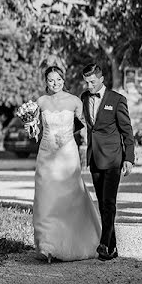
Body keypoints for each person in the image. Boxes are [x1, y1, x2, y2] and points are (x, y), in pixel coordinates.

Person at [27, 65, 101, 262]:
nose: (55, 83)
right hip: (46, 153)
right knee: (46, 196)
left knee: (69, 197)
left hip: (68, 154)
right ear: (46, 82)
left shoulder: (75, 101)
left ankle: (72, 241)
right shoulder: (40, 102)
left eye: (58, 80)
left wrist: (76, 139)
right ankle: (47, 244)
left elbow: (84, 126)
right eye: (51, 80)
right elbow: (35, 132)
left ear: (63, 80)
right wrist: (29, 126)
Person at [81, 63, 135, 261]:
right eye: (86, 83)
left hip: (113, 158)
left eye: (92, 82)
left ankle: (104, 244)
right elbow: (80, 123)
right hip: (94, 157)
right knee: (102, 203)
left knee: (108, 201)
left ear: (101, 79)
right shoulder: (84, 98)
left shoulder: (117, 100)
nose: (89, 86)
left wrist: (129, 158)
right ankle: (112, 248)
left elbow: (127, 131)